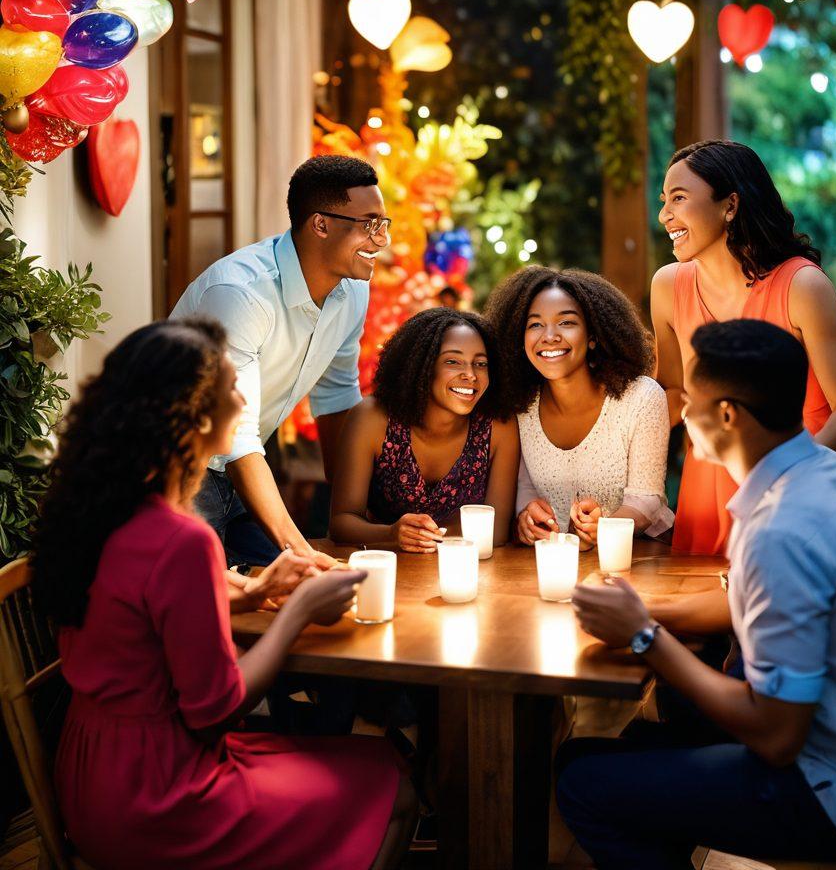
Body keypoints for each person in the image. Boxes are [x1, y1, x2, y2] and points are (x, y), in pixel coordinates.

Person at [29, 318, 416, 870]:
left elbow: (140, 616)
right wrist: (299, 610)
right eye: (234, 388)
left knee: (377, 758)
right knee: (393, 785)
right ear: (194, 418)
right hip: (161, 797)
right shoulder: (182, 539)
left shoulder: (95, 513)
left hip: (90, 773)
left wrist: (256, 592)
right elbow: (218, 711)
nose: (244, 400)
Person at [556, 319, 836, 870]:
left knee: (582, 783)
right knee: (600, 750)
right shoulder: (829, 472)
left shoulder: (783, 527)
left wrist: (645, 636)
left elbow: (777, 735)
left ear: (728, 415)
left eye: (691, 400)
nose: (683, 414)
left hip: (823, 790)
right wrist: (644, 612)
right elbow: (745, 598)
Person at [653, 139, 836, 555]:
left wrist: (780, 478)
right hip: (713, 483)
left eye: (678, 198)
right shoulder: (667, 286)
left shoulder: (803, 286)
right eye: (664, 200)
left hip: (812, 478)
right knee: (700, 607)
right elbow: (672, 394)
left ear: (730, 205)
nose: (664, 214)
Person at [171, 154, 390, 567]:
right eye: (368, 225)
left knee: (294, 587)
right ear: (320, 225)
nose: (381, 241)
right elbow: (238, 437)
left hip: (241, 468)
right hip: (176, 470)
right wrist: (303, 553)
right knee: (208, 605)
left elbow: (337, 395)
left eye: (383, 225)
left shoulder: (352, 290)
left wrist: (354, 516)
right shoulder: (242, 293)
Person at [485, 266, 672, 549]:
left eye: (567, 323)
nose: (549, 336)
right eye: (535, 324)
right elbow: (527, 486)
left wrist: (606, 529)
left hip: (644, 554)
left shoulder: (642, 397)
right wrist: (527, 516)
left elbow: (647, 500)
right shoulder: (522, 404)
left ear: (593, 335)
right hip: (558, 560)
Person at [330, 308, 518, 550]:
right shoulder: (371, 419)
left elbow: (497, 531)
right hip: (389, 568)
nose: (470, 375)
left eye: (480, 364)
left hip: (464, 570)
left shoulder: (498, 426)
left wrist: (427, 537)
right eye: (453, 361)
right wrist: (391, 533)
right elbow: (341, 522)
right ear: (422, 365)